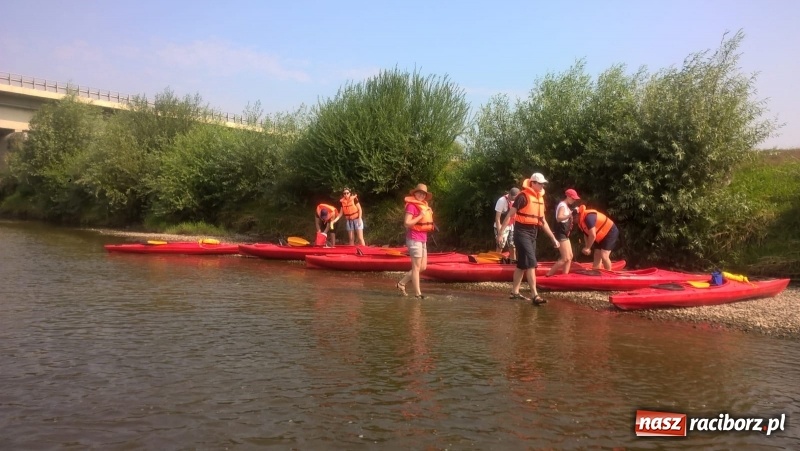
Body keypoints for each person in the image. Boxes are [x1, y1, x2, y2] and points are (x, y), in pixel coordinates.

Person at [497, 173, 559, 305]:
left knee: (522, 265)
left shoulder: (540, 199)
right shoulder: (522, 196)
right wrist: (501, 233)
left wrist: (553, 238)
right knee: (531, 263)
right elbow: (509, 215)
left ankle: (515, 292)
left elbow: (543, 221)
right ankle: (535, 295)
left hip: (532, 233)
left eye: (543, 183)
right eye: (540, 183)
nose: (542, 185)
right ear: (533, 183)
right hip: (521, 232)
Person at [396, 183, 434, 299]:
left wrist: (426, 214)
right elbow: (407, 223)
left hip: (423, 239)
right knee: (416, 267)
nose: (421, 195)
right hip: (413, 238)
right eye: (419, 193)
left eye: (423, 194)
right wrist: (420, 216)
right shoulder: (411, 206)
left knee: (423, 267)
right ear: (414, 193)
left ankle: (401, 283)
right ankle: (418, 294)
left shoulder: (424, 206)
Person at [546, 188, 581, 276]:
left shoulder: (566, 206)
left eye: (575, 199)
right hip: (560, 234)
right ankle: (548, 275)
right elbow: (559, 218)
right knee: (565, 258)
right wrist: (570, 214)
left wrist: (573, 212)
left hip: (565, 234)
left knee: (570, 257)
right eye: (573, 198)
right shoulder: (562, 205)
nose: (574, 200)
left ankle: (565, 276)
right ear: (568, 197)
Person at [576, 204, 620, 270]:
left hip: (610, 231)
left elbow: (593, 235)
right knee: (597, 254)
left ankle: (609, 274)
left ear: (578, 215)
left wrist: (588, 248)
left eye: (573, 217)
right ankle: (596, 271)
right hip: (600, 235)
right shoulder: (580, 221)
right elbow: (586, 234)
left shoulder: (588, 218)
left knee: (604, 255)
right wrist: (586, 246)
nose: (572, 220)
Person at [494, 187, 520, 262]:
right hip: (501, 226)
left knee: (512, 246)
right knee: (500, 245)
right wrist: (500, 234)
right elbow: (497, 218)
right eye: (514, 198)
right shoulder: (501, 201)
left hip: (511, 226)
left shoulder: (516, 201)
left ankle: (513, 262)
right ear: (510, 195)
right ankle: (496, 262)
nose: (515, 200)